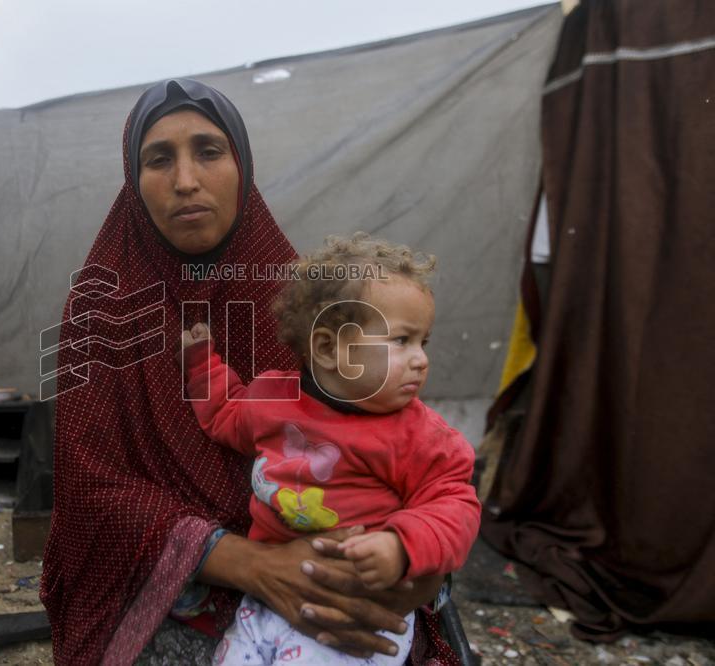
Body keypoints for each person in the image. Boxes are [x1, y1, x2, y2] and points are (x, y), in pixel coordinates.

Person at [40, 79, 450, 666]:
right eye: (159, 159)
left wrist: (400, 562)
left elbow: (398, 440)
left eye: (209, 151)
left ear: (242, 164)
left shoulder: (297, 299)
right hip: (176, 578)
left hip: (328, 546)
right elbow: (91, 488)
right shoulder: (100, 304)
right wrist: (249, 562)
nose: (185, 180)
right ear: (134, 182)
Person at [180, 233, 482, 664]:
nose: (421, 359)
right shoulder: (273, 399)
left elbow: (456, 503)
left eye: (423, 342)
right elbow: (226, 415)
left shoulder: (419, 435)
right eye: (401, 340)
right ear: (327, 348)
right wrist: (202, 366)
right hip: (266, 599)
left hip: (353, 618)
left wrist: (401, 547)